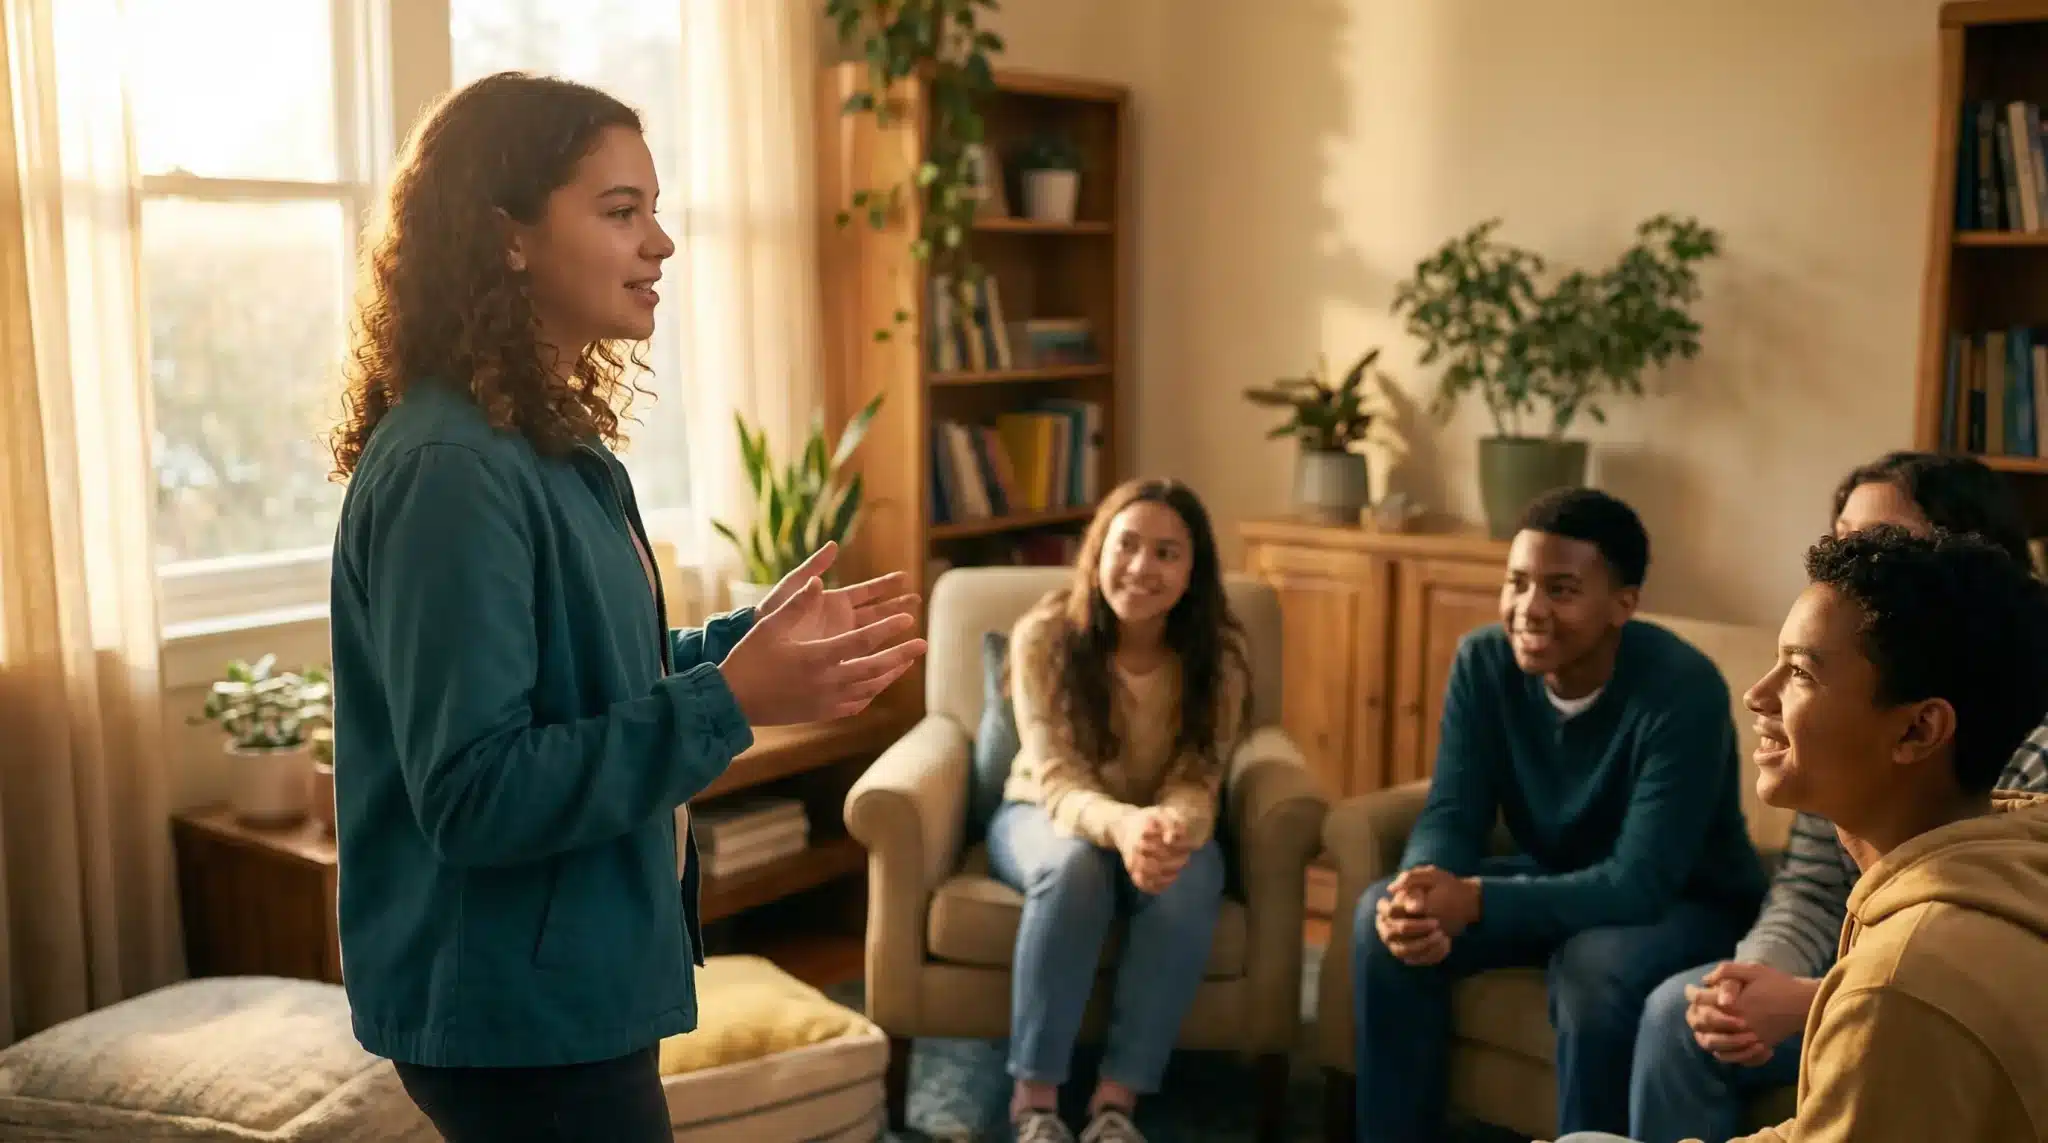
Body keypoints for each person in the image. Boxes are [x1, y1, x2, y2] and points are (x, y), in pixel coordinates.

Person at [323, 73, 926, 1143]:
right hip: (517, 1013)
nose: (662, 243)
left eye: (653, 207)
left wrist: (745, 651)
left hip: (577, 984)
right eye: (619, 211)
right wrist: (727, 701)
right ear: (504, 235)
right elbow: (475, 791)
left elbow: (583, 671)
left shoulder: (546, 442)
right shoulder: (450, 468)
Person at [1561, 526, 2048, 1143]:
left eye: (1799, 672)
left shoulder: (1900, 982)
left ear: (1918, 731)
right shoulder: (2015, 848)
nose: (1757, 694)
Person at [1350, 487, 1768, 1143]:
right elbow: (1455, 809)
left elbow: (1638, 881)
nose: (1528, 609)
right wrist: (1423, 887)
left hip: (1685, 901)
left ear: (1623, 603)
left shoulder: (1682, 690)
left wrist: (1478, 899)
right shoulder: (1483, 662)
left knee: (1594, 967)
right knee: (1381, 921)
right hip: (1559, 875)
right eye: (1517, 582)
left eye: (1561, 589)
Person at [992, 478, 1251, 1143]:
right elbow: (1056, 780)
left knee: (1189, 875)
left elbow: (1200, 779)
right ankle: (1035, 1103)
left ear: (1193, 571)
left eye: (1167, 552)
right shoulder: (1043, 636)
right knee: (1076, 867)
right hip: (1042, 817)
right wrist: (1124, 824)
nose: (1141, 567)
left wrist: (1166, 826)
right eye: (1126, 544)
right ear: (1097, 551)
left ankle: (1116, 1103)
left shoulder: (1219, 660)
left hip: (1161, 823)